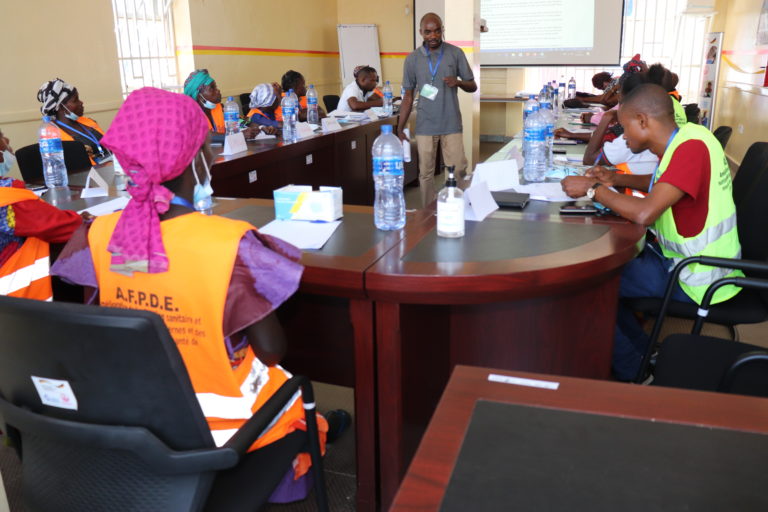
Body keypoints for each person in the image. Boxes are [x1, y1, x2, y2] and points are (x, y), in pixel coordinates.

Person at [50, 88, 348, 503]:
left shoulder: (99, 233)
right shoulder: (227, 242)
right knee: (292, 396)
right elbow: (272, 351)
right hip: (222, 425)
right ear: (197, 159)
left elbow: (108, 319)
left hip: (136, 415)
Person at [561, 84, 743, 381]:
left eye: (625, 128)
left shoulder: (690, 148)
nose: (623, 136)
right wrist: (616, 178)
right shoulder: (688, 139)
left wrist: (593, 190)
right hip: (687, 262)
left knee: (584, 288)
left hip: (697, 275)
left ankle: (635, 373)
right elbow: (664, 184)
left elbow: (645, 212)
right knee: (600, 279)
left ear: (643, 121)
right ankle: (645, 355)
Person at [397, 12, 477, 206]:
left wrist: (457, 82)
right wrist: (400, 128)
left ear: (442, 30)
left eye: (436, 31)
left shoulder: (455, 53)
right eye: (428, 32)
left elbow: (472, 86)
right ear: (421, 33)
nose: (432, 36)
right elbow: (408, 96)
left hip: (451, 123)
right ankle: (428, 213)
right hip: (425, 124)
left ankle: (458, 206)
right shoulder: (412, 59)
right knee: (425, 173)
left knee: (458, 168)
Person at [0, 129, 83, 300]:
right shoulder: (10, 199)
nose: (6, 139)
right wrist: (89, 220)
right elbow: (66, 227)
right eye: (1, 136)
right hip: (19, 304)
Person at [37, 78, 111, 165]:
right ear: (61, 107)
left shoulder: (88, 122)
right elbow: (75, 167)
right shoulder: (52, 135)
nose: (81, 102)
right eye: (76, 100)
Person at [183, 69, 259, 138]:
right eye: (212, 88)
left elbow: (238, 120)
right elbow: (205, 136)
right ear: (200, 96)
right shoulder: (190, 115)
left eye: (216, 87)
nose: (218, 91)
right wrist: (239, 136)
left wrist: (257, 127)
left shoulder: (219, 107)